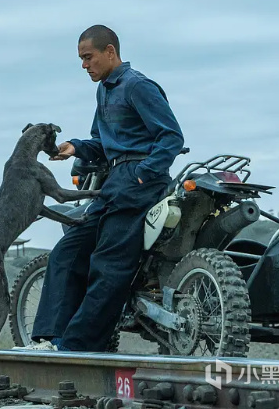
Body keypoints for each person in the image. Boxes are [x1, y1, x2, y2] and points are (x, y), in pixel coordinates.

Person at [20, 25, 184, 352]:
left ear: (110, 52)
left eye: (88, 57)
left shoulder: (138, 86)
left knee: (108, 265)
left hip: (139, 185)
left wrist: (142, 174)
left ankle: (75, 349)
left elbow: (172, 137)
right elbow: (101, 143)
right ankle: (49, 340)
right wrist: (74, 147)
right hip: (111, 184)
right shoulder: (104, 90)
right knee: (67, 252)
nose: (84, 65)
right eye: (81, 59)